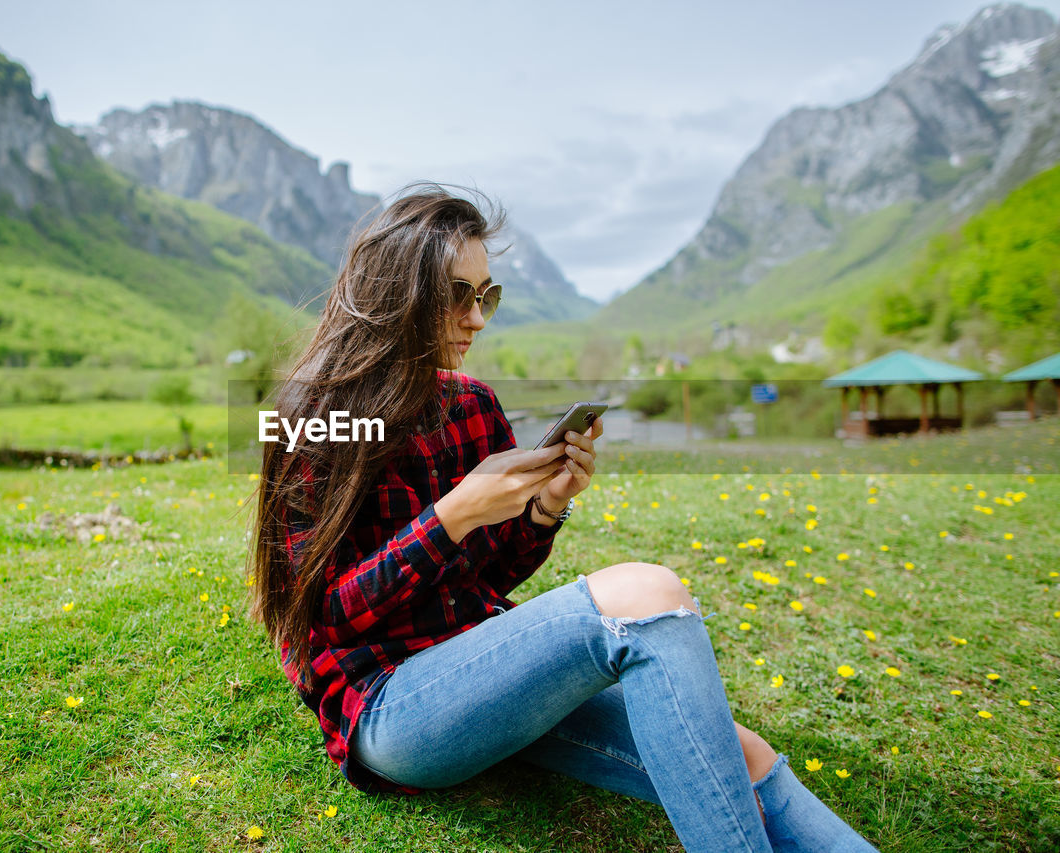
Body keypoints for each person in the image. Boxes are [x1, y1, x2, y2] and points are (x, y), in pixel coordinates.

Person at [249, 184, 878, 852]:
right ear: (398, 292)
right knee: (645, 596)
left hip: (483, 670)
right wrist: (451, 517)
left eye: (486, 295)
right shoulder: (318, 418)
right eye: (458, 294)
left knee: (743, 753)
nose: (478, 318)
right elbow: (322, 617)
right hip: (390, 707)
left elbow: (491, 575)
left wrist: (545, 507)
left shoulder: (472, 406)